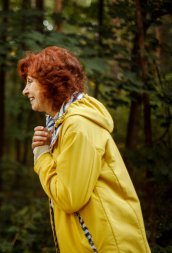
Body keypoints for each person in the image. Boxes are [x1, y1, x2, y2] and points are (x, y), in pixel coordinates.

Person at [18, 46, 150, 252]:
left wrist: (42, 156)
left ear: (50, 82)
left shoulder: (78, 125)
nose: (25, 91)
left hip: (105, 245)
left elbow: (69, 198)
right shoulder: (66, 125)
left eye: (30, 82)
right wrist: (53, 145)